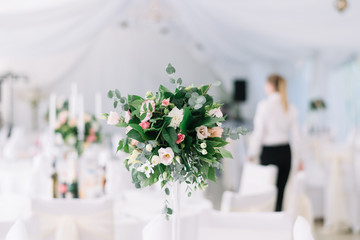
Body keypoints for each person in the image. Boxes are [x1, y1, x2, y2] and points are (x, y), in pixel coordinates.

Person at [248, 74, 303, 212]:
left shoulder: (264, 106)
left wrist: (251, 153)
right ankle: (279, 223)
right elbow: (297, 137)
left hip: (268, 153)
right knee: (280, 194)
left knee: (266, 193)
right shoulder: (290, 107)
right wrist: (300, 159)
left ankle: (267, 225)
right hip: (285, 152)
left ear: (271, 86)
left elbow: (258, 132)